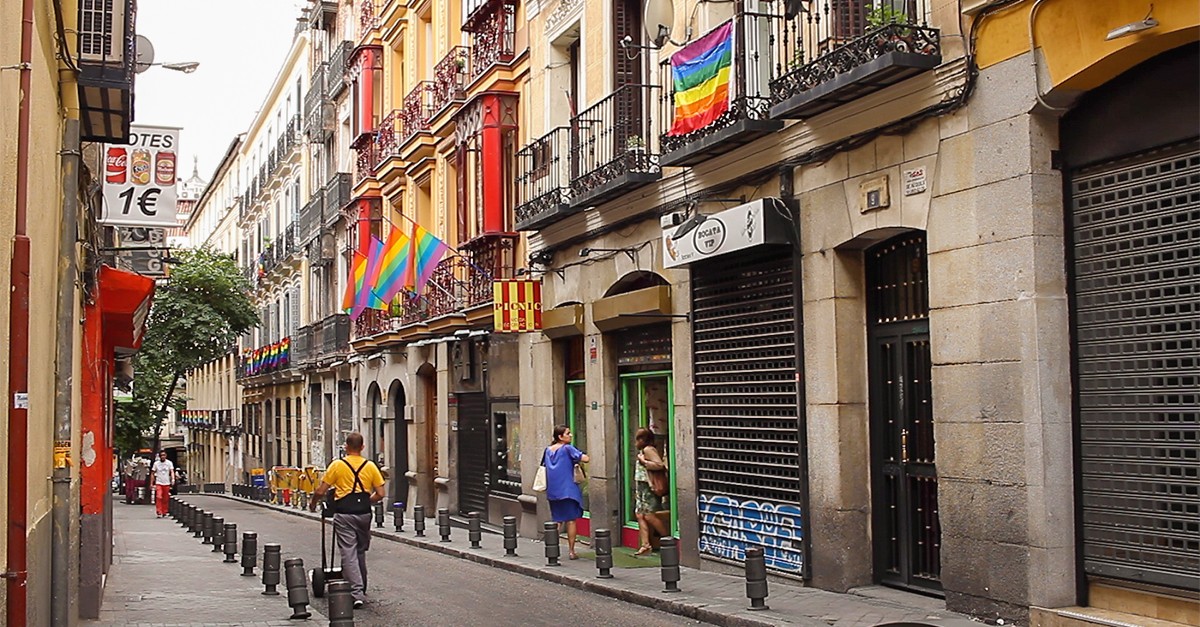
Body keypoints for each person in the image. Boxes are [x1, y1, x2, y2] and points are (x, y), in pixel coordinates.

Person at [309, 433, 386, 609]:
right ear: (362, 447)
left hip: (344, 514)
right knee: (360, 551)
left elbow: (321, 491)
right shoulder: (370, 466)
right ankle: (361, 586)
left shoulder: (337, 465)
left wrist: (313, 504)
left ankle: (356, 593)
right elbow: (381, 493)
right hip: (364, 514)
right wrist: (367, 501)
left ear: (346, 447)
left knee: (348, 552)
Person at [543, 425, 589, 560]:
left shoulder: (548, 450)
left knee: (557, 521)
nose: (571, 435)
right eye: (568, 433)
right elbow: (585, 458)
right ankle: (571, 551)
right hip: (568, 490)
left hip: (553, 491)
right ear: (560, 436)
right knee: (571, 520)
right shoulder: (567, 448)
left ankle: (552, 550)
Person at [633, 428, 669, 556]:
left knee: (649, 515)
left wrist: (644, 462)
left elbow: (659, 465)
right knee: (640, 514)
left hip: (649, 487)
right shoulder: (643, 450)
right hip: (641, 486)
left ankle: (667, 539)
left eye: (638, 439)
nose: (636, 442)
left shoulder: (649, 450)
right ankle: (645, 545)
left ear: (643, 440)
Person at [151, 451, 175, 518]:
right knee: (159, 496)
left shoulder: (169, 463)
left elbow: (172, 471)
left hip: (166, 483)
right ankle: (159, 511)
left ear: (166, 456)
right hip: (159, 483)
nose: (163, 456)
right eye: (161, 455)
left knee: (165, 498)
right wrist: (151, 483)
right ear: (159, 456)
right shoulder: (156, 464)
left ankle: (164, 511)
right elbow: (152, 473)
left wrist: (173, 479)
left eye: (164, 455)